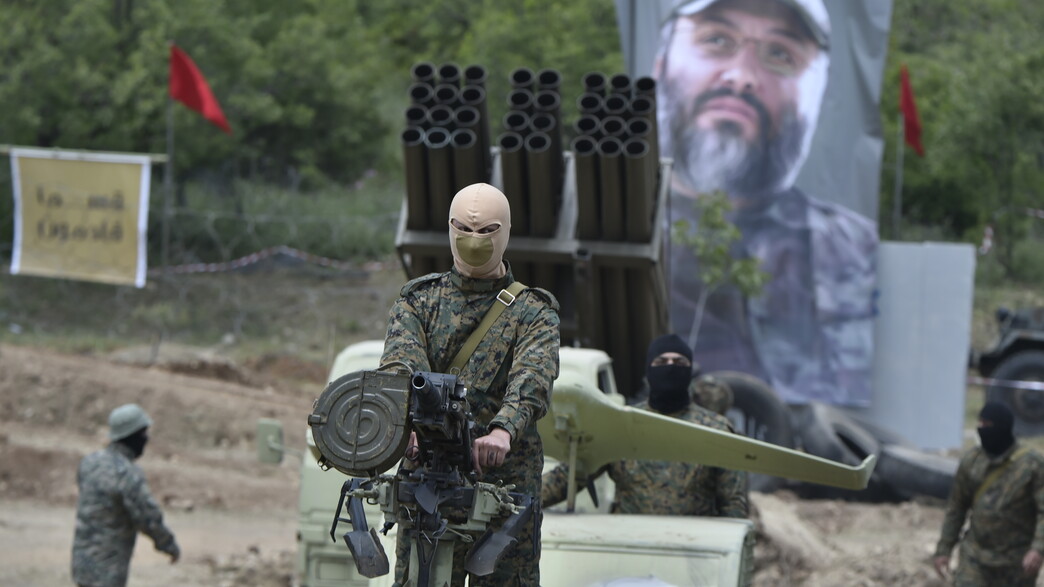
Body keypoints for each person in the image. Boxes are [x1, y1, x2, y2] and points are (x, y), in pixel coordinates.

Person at [653, 0, 878, 406]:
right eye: (717, 39)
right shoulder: (599, 220)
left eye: (779, 53)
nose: (741, 77)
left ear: (817, 94)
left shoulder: (849, 247)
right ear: (661, 65)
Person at [380, 182, 561, 586]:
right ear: (449, 229)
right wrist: (404, 423)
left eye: (486, 231)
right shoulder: (419, 300)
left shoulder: (534, 312)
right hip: (428, 477)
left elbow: (533, 376)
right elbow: (400, 363)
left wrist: (503, 429)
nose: (474, 240)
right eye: (463, 228)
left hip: (503, 483)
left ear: (505, 232)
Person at [543, 334, 748, 518]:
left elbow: (733, 503)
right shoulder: (621, 423)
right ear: (649, 369)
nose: (670, 367)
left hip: (693, 549)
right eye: (662, 362)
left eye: (679, 362)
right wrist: (519, 501)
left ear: (689, 370)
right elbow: (570, 475)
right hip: (632, 546)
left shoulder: (715, 429)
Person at [932, 401, 1044, 586]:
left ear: (1003, 427)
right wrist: (944, 548)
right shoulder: (972, 462)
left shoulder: (1031, 465)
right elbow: (957, 507)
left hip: (1016, 562)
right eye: (980, 425)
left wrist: (1038, 549)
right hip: (975, 557)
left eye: (988, 425)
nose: (982, 430)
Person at [71, 403, 180, 587]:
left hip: (81, 565)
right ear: (132, 435)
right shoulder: (127, 474)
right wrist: (168, 544)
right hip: (107, 572)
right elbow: (148, 517)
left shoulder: (89, 463)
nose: (147, 438)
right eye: (143, 433)